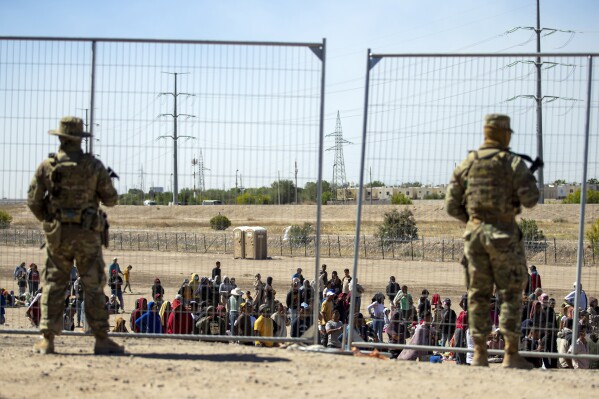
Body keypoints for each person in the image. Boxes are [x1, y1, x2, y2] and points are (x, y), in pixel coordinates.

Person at [445, 114, 539, 369]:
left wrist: (473, 221)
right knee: (509, 294)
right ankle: (510, 354)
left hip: (474, 239)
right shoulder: (511, 162)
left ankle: (478, 354)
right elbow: (531, 199)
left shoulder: (468, 162)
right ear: (505, 134)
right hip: (504, 236)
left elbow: (451, 205)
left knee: (478, 295)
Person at [27, 116, 123, 355]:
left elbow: (33, 201)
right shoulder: (93, 166)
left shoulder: (47, 166)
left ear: (60, 137)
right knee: (93, 285)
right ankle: (101, 338)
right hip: (87, 235)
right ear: (81, 139)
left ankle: (47, 339)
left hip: (58, 234)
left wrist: (50, 221)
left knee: (54, 284)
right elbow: (111, 199)